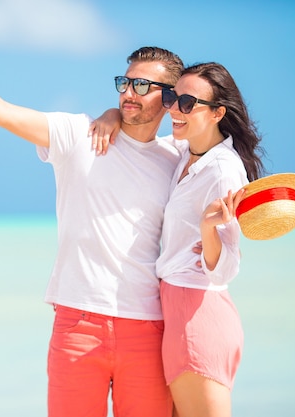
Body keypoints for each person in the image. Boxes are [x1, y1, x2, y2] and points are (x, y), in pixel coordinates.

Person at [0, 37, 185, 417]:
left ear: (170, 99)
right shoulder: (79, 135)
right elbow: (2, 112)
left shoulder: (178, 159)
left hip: (149, 328)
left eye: (142, 86)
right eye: (124, 83)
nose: (128, 93)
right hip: (77, 323)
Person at [92, 62, 265, 417]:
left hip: (197, 314)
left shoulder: (222, 170)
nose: (174, 109)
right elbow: (139, 133)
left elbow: (227, 268)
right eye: (172, 97)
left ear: (218, 113)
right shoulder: (186, 150)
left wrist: (207, 229)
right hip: (178, 312)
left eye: (187, 103)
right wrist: (111, 114)